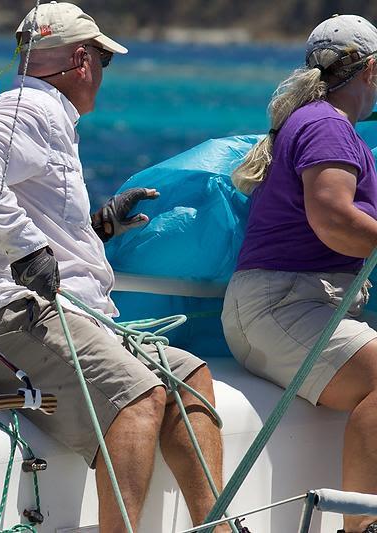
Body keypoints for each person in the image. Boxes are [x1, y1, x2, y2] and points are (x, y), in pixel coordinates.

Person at [0, 3, 229, 532]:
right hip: (4, 320)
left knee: (189, 375)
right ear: (80, 59)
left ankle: (216, 527)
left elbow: (26, 203)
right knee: (140, 396)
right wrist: (24, 249)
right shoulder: (31, 109)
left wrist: (98, 227)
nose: (102, 73)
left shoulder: (44, 115)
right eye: (103, 60)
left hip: (57, 317)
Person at [222, 14, 377, 533]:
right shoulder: (328, 124)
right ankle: (362, 528)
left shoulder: (313, 120)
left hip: (274, 306)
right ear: (371, 72)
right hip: (285, 307)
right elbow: (333, 218)